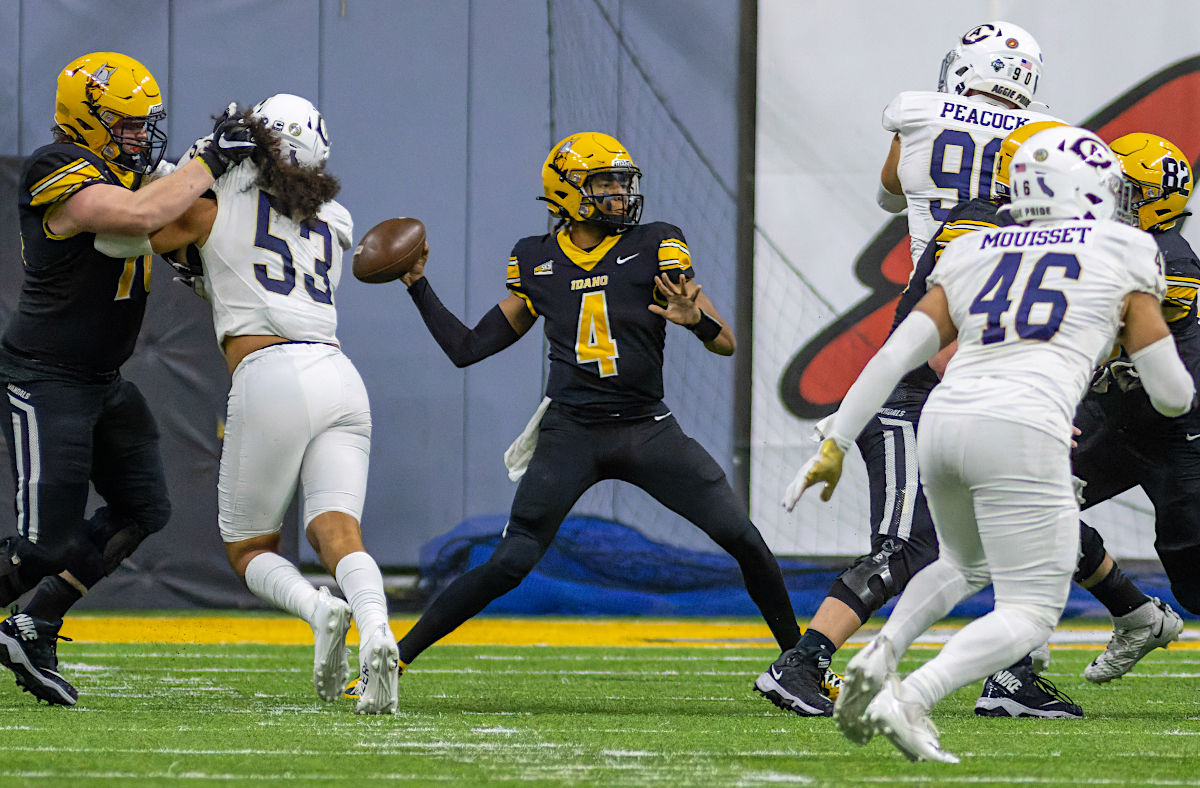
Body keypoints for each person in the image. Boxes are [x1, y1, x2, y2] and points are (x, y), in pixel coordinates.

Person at [345, 131, 805, 706]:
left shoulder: (659, 242)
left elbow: (726, 342)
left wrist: (696, 320)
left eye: (621, 181)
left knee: (743, 537)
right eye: (604, 183)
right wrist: (418, 286)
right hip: (572, 432)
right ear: (567, 193)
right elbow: (467, 347)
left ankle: (799, 664)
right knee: (510, 562)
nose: (619, 193)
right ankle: (393, 661)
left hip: (646, 426)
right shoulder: (536, 258)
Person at [795, 126, 1194, 762]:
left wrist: (837, 437)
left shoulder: (977, 245)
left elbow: (900, 350)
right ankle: (913, 696)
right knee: (1031, 612)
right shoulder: (1123, 250)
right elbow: (1173, 394)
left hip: (946, 423)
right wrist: (1128, 343)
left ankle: (881, 654)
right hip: (1026, 428)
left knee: (961, 563)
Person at [0, 51, 255, 706]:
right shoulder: (56, 168)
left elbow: (175, 221)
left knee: (144, 508)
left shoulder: (131, 171)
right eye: (126, 122)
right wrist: (212, 160)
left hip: (102, 379)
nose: (141, 134)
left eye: (145, 123)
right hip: (46, 377)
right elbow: (138, 217)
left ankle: (36, 622)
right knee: (38, 547)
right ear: (84, 119)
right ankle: (30, 603)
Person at [146, 95, 399, 715]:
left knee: (249, 549)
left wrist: (188, 165)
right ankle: (380, 628)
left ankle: (319, 609)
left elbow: (153, 229)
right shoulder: (335, 218)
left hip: (270, 375)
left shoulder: (218, 200)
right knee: (337, 531)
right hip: (339, 374)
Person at [1066, 132, 1198, 682]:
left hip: (1179, 432)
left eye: (1124, 191)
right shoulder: (1115, 245)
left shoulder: (1168, 258)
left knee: (1193, 579)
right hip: (1117, 417)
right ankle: (1134, 613)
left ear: (1157, 200)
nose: (1110, 199)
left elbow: (1106, 336)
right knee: (1024, 502)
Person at [876, 20, 1059, 266]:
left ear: (966, 67)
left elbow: (889, 199)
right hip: (1008, 294)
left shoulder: (916, 111)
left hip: (930, 290)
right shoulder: (1052, 134)